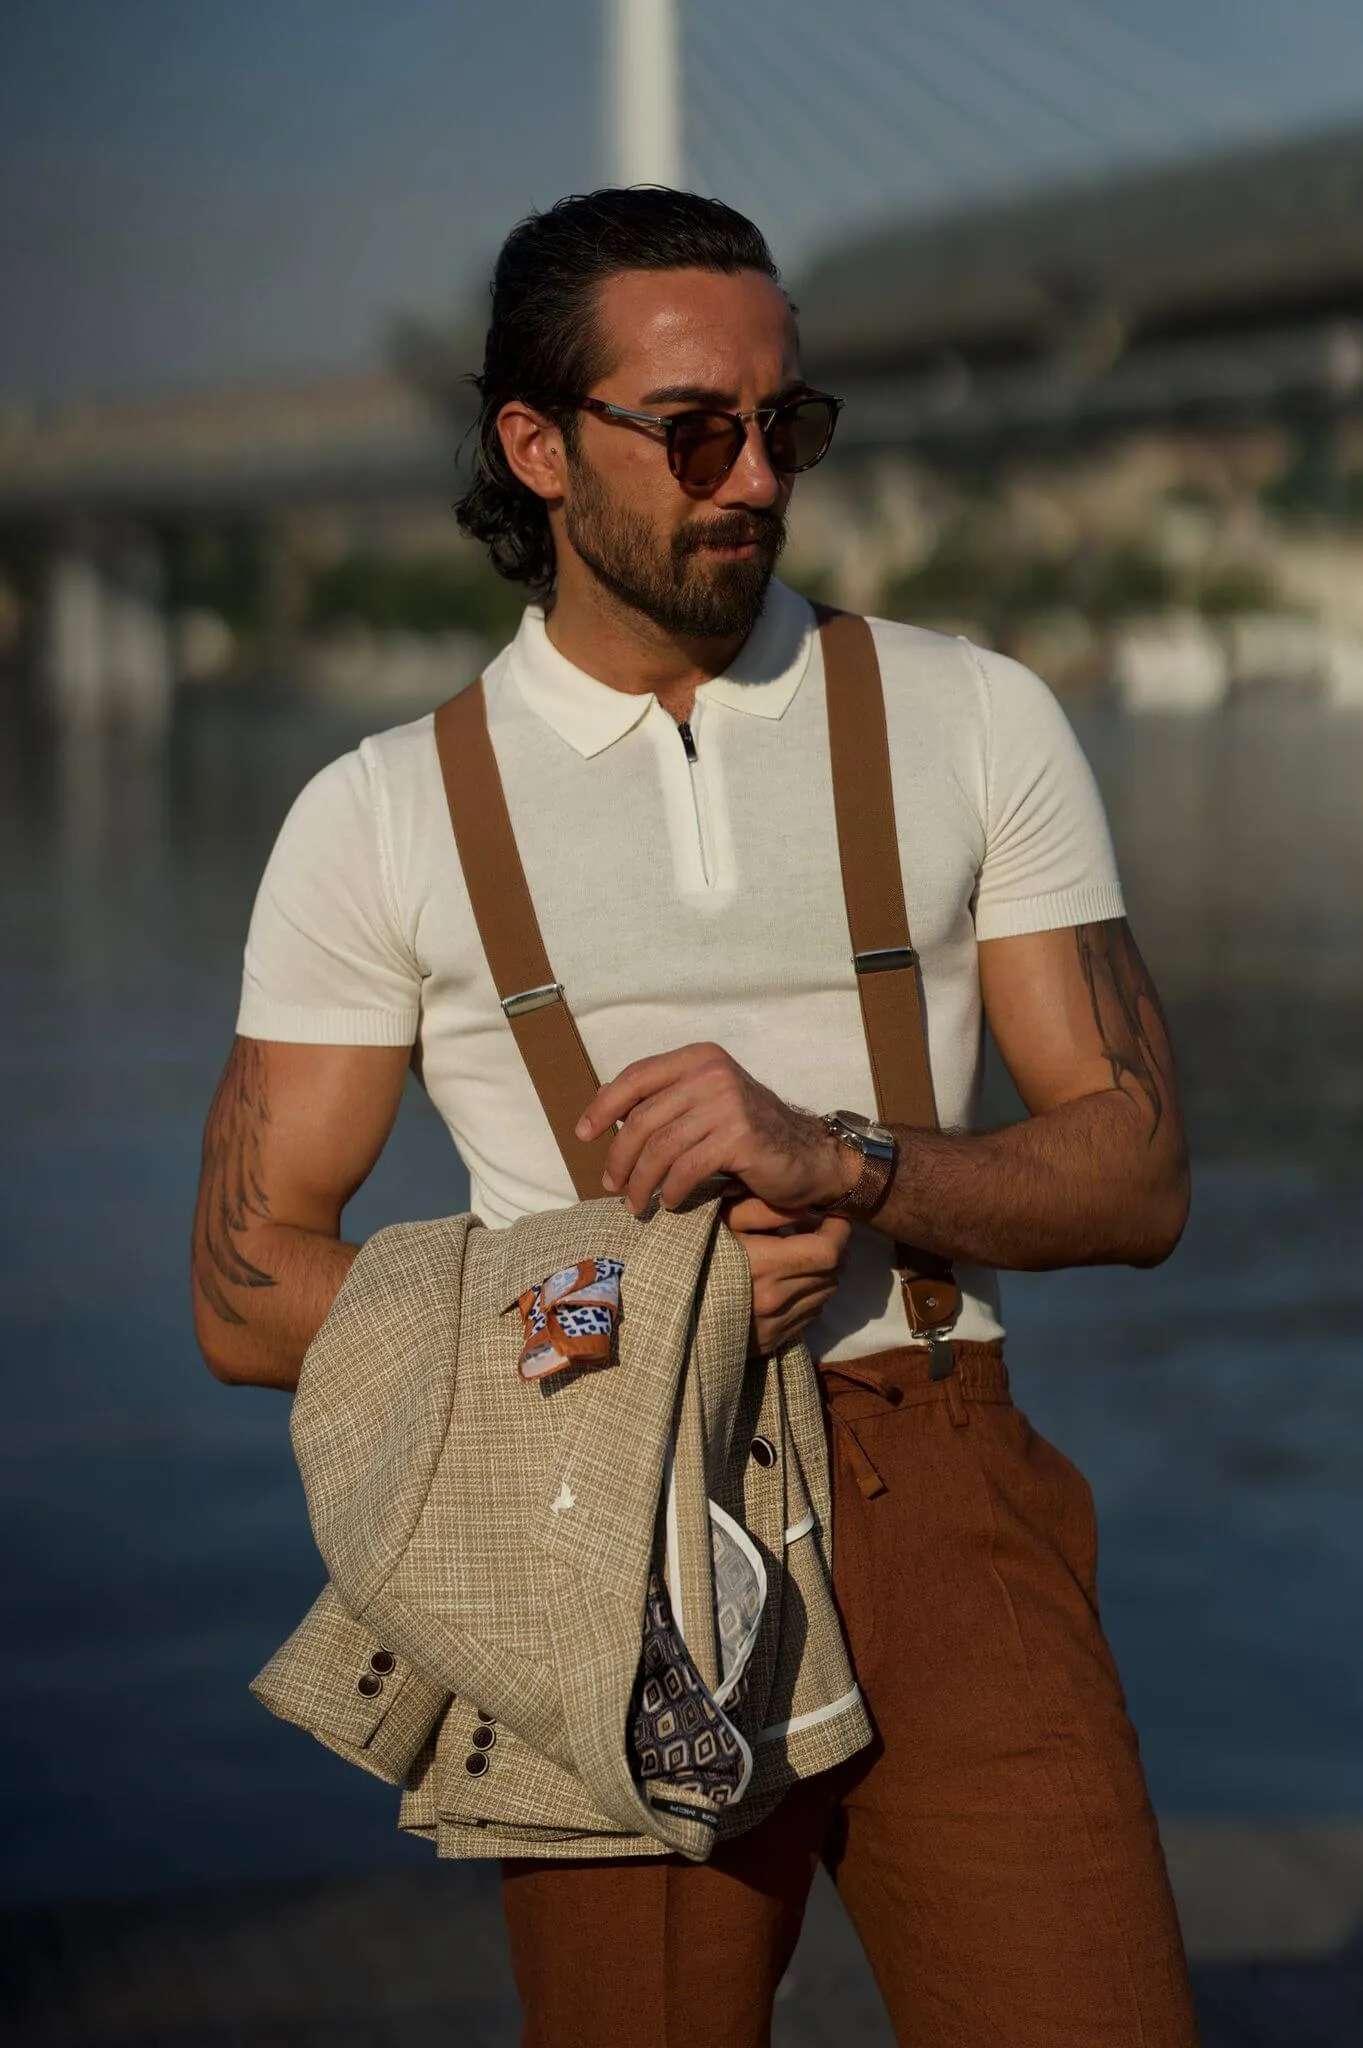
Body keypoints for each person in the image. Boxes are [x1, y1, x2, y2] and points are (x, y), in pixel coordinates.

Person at [192, 187, 1198, 2047]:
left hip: (948, 1482)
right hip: (595, 1516)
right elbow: (252, 1293)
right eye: (695, 430)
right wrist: (623, 1307)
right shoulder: (385, 813)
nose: (755, 477)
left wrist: (856, 1158)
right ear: (535, 448)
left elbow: (1136, 1170)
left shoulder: (974, 719)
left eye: (786, 425)